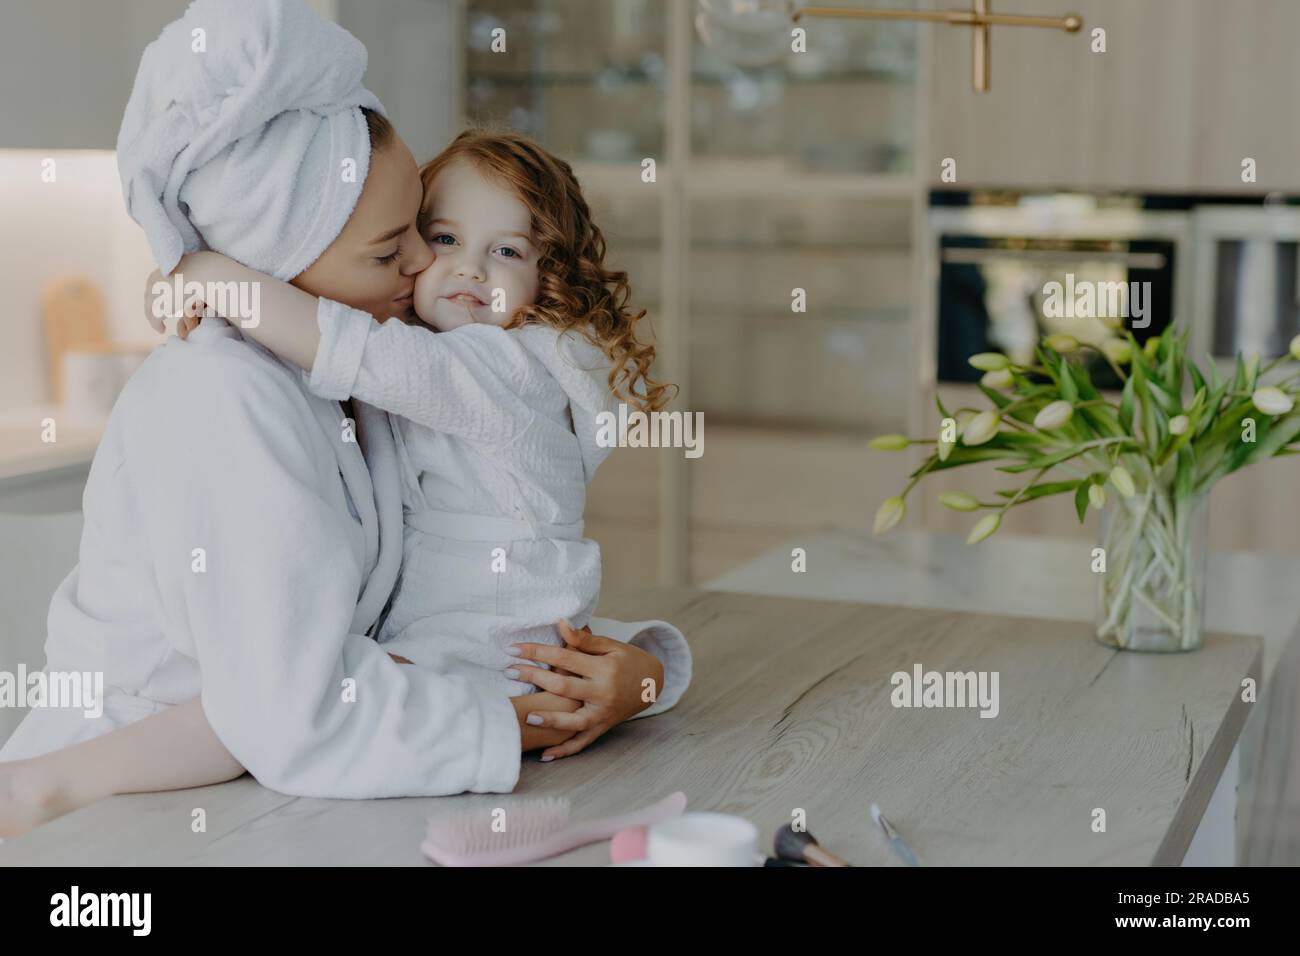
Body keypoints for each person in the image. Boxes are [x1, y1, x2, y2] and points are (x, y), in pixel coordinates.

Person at [0, 0, 690, 838]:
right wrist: (525, 720)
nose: (425, 267)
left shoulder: (379, 385)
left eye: (423, 235)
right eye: (402, 243)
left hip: (281, 776)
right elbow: (298, 710)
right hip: (125, 811)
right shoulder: (229, 400)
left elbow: (488, 601)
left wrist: (639, 672)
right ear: (283, 260)